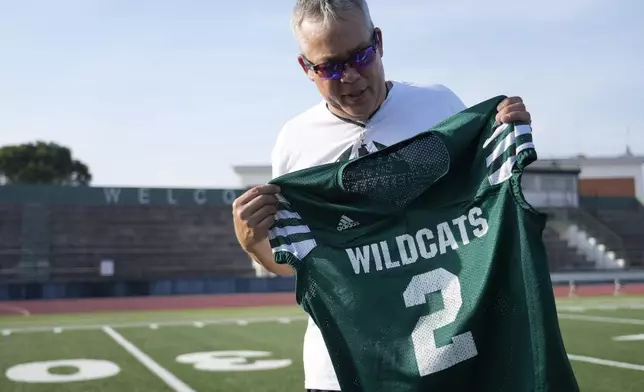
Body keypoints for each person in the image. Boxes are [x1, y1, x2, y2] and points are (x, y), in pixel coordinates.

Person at [232, 1, 533, 391]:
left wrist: (506, 139)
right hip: (339, 369)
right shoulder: (294, 144)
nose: (352, 76)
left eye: (361, 55)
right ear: (306, 68)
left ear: (379, 41)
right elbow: (299, 263)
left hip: (444, 354)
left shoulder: (439, 107)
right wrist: (253, 242)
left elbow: (485, 213)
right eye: (330, 66)